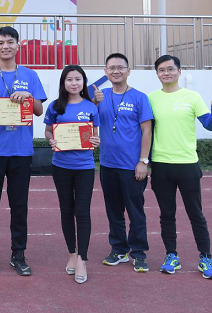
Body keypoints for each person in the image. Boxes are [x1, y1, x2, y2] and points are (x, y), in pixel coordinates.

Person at [0, 26, 46, 277]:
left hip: (21, 152)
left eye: (10, 42)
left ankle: (18, 254)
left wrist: (28, 96)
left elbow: (39, 111)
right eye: (1, 42)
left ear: (18, 45)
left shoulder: (30, 75)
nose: (5, 46)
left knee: (19, 206)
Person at [149, 55, 212, 280]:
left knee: (195, 214)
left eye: (171, 69)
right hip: (161, 165)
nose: (166, 73)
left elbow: (209, 125)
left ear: (179, 71)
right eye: (162, 70)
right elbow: (144, 131)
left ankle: (205, 257)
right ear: (157, 74)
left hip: (188, 165)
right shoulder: (151, 98)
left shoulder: (192, 97)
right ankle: (171, 255)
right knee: (166, 214)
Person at [93, 53, 153, 273]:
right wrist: (93, 102)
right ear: (105, 72)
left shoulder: (139, 97)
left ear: (128, 71)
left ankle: (138, 252)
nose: (116, 71)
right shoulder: (101, 97)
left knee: (135, 211)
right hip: (108, 164)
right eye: (111, 68)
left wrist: (143, 161)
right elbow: (88, 120)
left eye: (120, 67)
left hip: (132, 166)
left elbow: (147, 131)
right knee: (113, 210)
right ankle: (118, 249)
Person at [44, 65, 101, 284]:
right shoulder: (55, 106)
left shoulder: (90, 107)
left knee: (82, 212)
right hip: (61, 166)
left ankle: (82, 259)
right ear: (63, 83)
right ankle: (71, 253)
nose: (74, 83)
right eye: (69, 79)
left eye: (78, 79)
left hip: (84, 167)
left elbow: (94, 135)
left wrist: (95, 140)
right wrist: (51, 140)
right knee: (66, 210)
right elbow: (48, 130)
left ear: (83, 82)